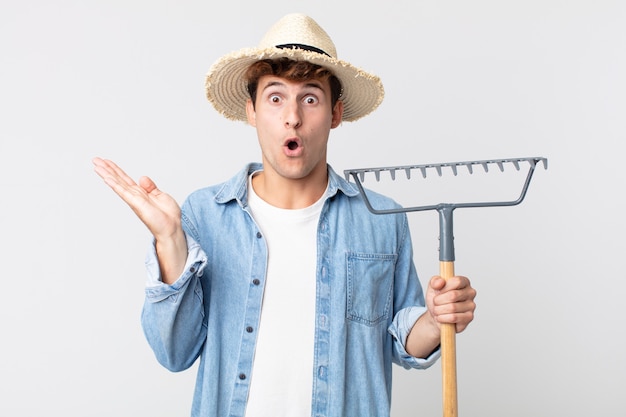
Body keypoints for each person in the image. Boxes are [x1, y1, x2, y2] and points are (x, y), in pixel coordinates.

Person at [93, 13, 476, 417]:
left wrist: (436, 320)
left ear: (335, 114)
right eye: (276, 98)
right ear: (252, 111)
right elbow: (174, 352)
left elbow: (404, 339)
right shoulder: (204, 215)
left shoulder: (381, 218)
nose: (292, 116)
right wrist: (170, 238)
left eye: (310, 98)